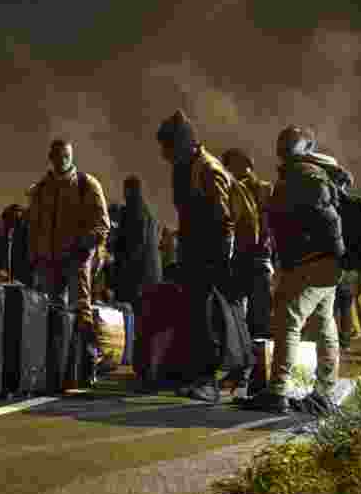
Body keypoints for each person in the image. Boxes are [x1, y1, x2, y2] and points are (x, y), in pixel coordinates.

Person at [242, 126, 348, 416]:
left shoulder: (303, 174)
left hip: (312, 260)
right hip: (321, 261)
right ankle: (324, 393)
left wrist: (333, 252)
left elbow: (327, 216)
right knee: (324, 325)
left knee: (288, 318)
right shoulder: (310, 172)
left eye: (286, 144)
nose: (281, 148)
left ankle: (278, 391)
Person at [155, 110, 236, 402]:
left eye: (168, 148)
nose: (164, 155)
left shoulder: (207, 169)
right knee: (193, 318)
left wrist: (222, 258)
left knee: (206, 319)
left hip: (209, 253)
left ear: (183, 144)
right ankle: (196, 377)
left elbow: (225, 219)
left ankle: (209, 382)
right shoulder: (185, 167)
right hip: (193, 251)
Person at [26, 139, 111, 357]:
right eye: (57, 156)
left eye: (65, 155)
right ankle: (53, 362)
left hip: (75, 260)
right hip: (48, 262)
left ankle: (87, 358)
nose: (61, 160)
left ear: (71, 156)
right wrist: (35, 255)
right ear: (50, 158)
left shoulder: (86, 184)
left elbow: (102, 224)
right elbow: (33, 226)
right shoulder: (42, 189)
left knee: (81, 310)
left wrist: (83, 248)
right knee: (49, 313)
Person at [222, 148, 274, 338]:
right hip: (250, 256)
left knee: (254, 312)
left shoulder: (263, 189)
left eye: (231, 165)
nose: (229, 170)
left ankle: (252, 356)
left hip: (254, 256)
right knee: (249, 309)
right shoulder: (259, 189)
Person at [112, 176, 163, 310]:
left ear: (128, 190)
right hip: (151, 278)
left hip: (137, 278)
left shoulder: (133, 211)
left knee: (133, 316)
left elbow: (134, 245)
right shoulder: (147, 212)